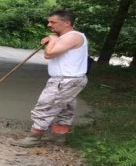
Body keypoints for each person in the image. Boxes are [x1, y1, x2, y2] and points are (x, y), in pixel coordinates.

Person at [11, 10, 88, 148]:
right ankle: (58, 137)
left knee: (45, 106)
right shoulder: (66, 36)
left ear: (67, 23)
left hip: (65, 80)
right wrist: (53, 39)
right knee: (65, 109)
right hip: (70, 79)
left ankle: (34, 139)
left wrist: (52, 40)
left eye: (53, 22)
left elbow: (50, 54)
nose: (49, 24)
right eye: (49, 21)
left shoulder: (72, 37)